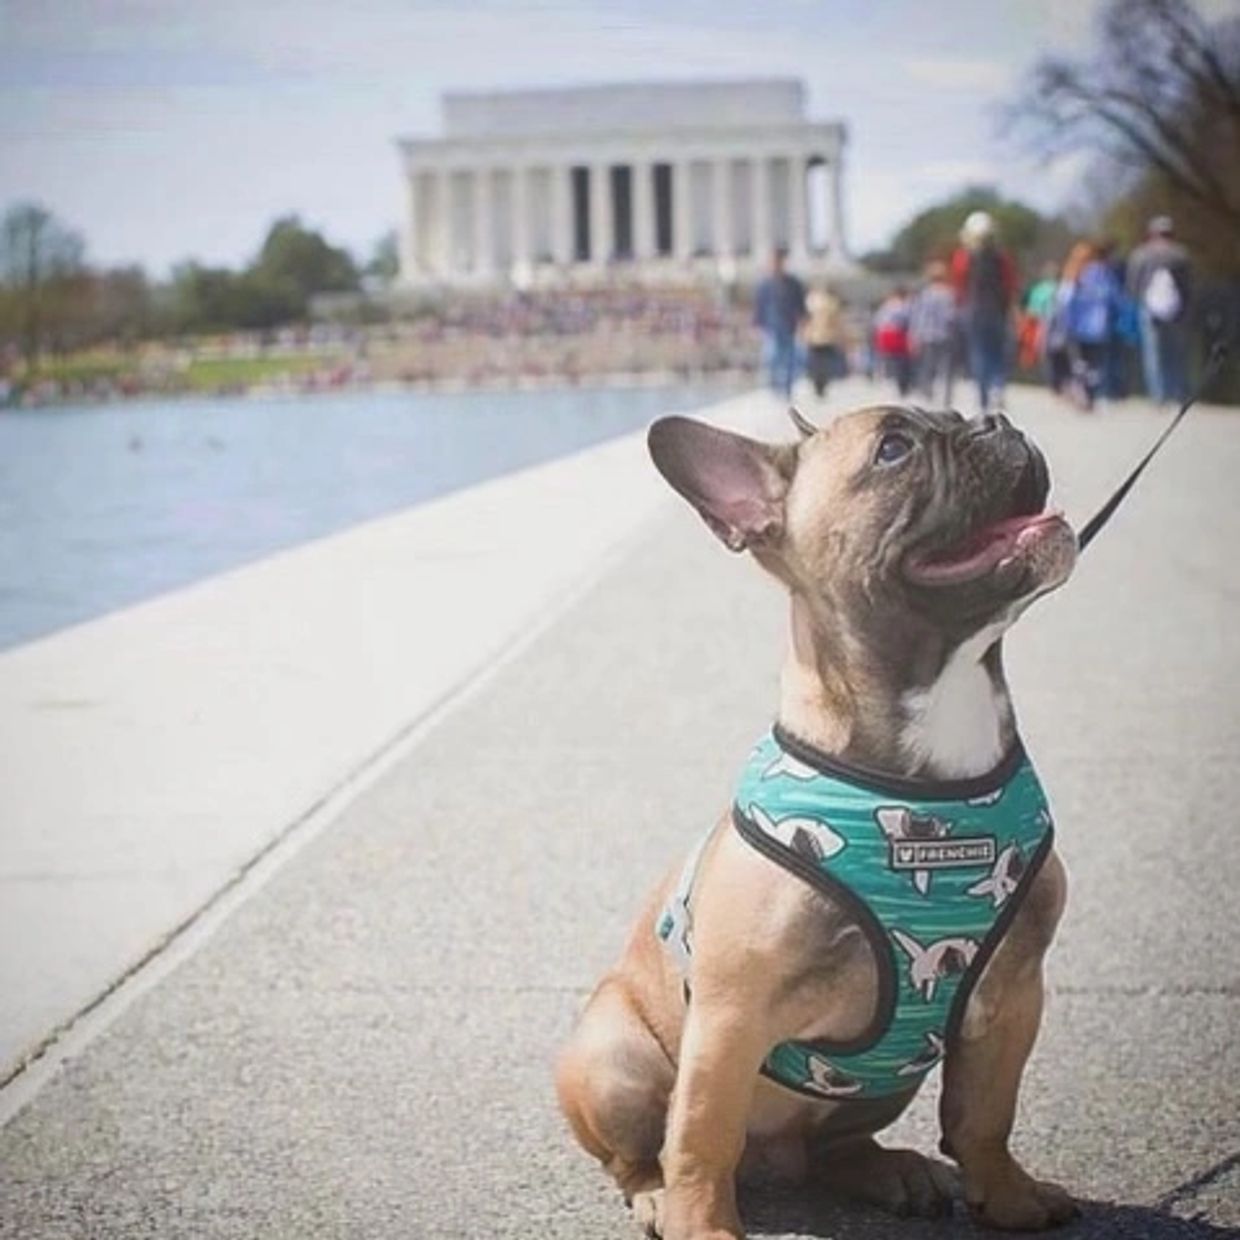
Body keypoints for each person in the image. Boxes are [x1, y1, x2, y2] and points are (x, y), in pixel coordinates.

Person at [950, 210, 1018, 413]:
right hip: (997, 309)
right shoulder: (1002, 258)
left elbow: (959, 285)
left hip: (973, 310)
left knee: (978, 353)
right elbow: (1010, 284)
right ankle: (998, 386)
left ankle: (982, 397)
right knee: (998, 352)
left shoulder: (963, 258)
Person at [1126, 215, 1193, 404]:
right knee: (1177, 353)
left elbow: (1133, 284)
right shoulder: (1181, 254)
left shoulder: (1141, 254)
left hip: (1150, 309)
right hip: (1177, 311)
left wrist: (1139, 299)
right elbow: (1188, 286)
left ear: (1152, 233)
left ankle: (1159, 395)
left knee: (1153, 354)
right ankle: (1179, 392)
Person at [1064, 240, 1122, 411]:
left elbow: (1066, 301)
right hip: (1099, 327)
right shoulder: (1104, 273)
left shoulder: (1075, 274)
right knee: (1096, 364)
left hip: (1077, 327)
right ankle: (1092, 395)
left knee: (1080, 363)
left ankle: (1083, 394)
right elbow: (1114, 298)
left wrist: (1067, 323)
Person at [753, 246, 808, 398]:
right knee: (772, 358)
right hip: (771, 328)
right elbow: (760, 306)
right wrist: (757, 326)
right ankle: (774, 387)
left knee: (791, 359)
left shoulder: (793, 283)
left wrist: (802, 323)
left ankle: (787, 387)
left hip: (789, 327)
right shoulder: (764, 285)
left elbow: (801, 305)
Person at [908, 260, 956, 406]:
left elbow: (918, 316)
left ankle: (927, 391)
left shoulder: (925, 294)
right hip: (946, 334)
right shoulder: (949, 293)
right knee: (947, 367)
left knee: (928, 365)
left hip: (928, 335)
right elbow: (951, 316)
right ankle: (947, 396)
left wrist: (914, 336)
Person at [802, 283, 845, 398]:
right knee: (825, 363)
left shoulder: (811, 301)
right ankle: (822, 385)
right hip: (828, 337)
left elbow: (806, 318)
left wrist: (805, 334)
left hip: (814, 337)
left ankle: (817, 383)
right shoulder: (833, 302)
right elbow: (836, 321)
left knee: (815, 362)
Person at [872, 285, 913, 397]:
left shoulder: (886, 305)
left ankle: (887, 379)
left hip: (885, 335)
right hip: (899, 335)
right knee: (902, 361)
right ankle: (902, 385)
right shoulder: (906, 305)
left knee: (889, 360)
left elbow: (877, 322)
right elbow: (908, 320)